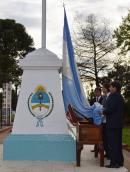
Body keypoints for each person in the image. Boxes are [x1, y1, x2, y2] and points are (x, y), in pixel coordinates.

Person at [103, 81, 124, 168]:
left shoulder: (114, 96)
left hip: (113, 124)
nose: (109, 88)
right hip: (117, 124)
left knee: (113, 144)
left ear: (115, 88)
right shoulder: (119, 96)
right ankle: (119, 162)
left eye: (111, 87)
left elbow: (109, 109)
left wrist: (102, 111)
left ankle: (114, 163)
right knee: (117, 144)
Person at [102, 83, 111, 159]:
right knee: (105, 138)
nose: (102, 89)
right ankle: (107, 153)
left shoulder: (111, 96)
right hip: (104, 120)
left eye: (103, 87)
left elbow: (108, 108)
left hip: (109, 120)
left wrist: (103, 111)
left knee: (108, 138)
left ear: (107, 88)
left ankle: (109, 153)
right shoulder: (104, 97)